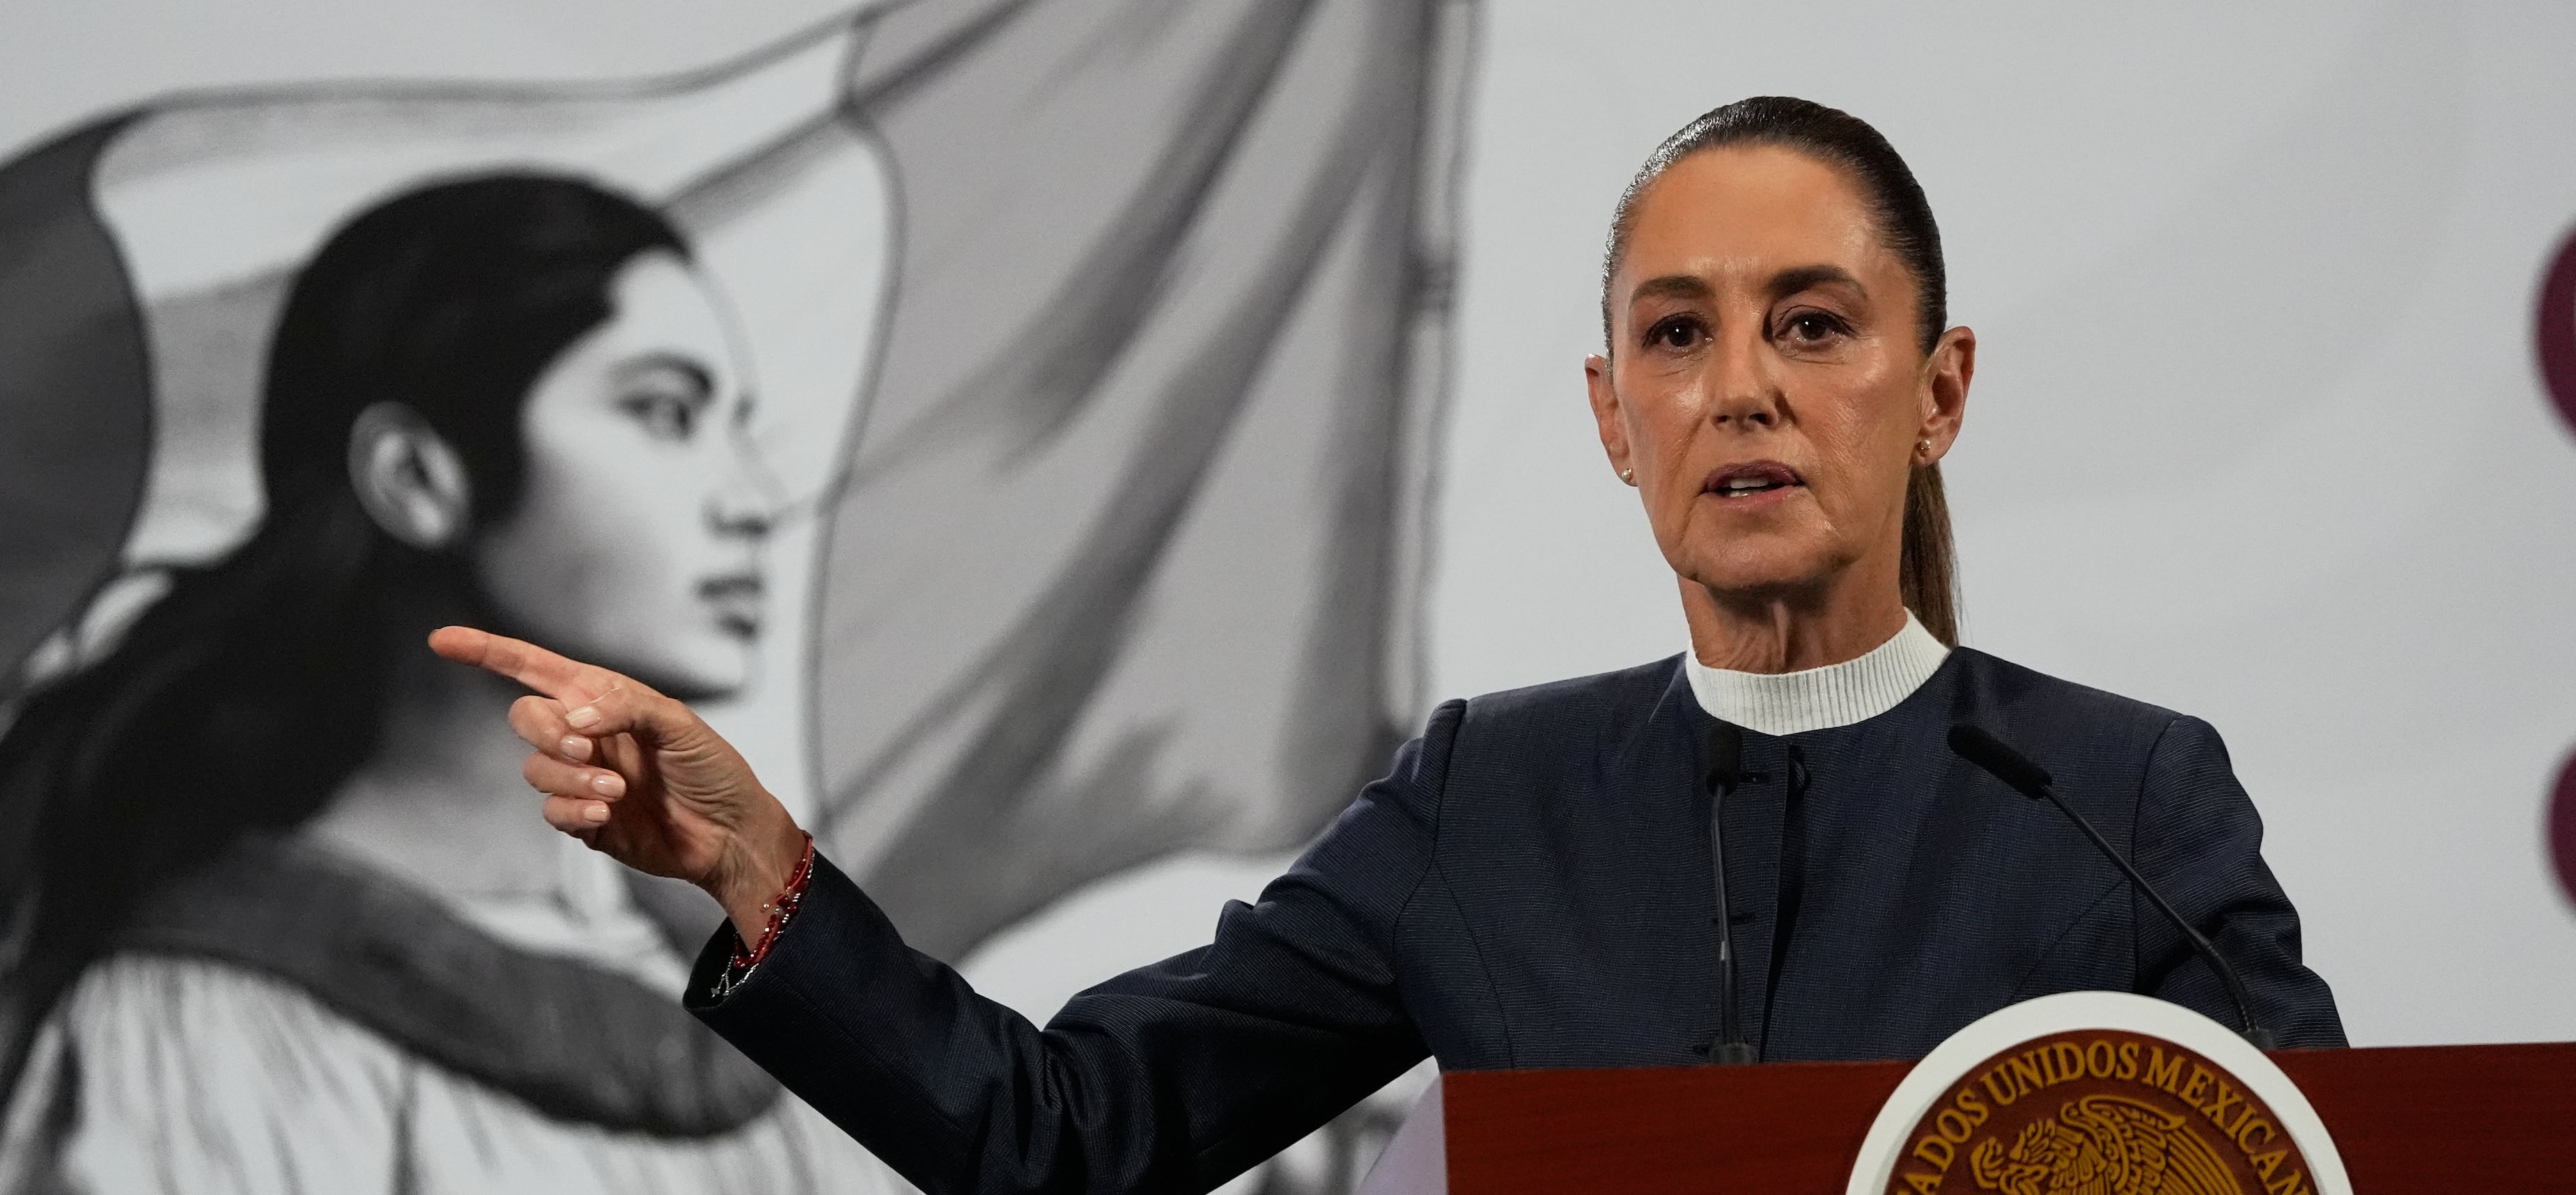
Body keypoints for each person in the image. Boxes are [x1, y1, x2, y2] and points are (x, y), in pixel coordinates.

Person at [448, 97, 2347, 1195]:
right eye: (1676, 335)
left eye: (1816, 323)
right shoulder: (1489, 801)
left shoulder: (2119, 803)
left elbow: (2320, 1171)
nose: (1741, 387)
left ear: (1940, 390)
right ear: (1612, 418)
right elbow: (1069, 1140)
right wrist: (756, 868)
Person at [0, 175, 904, 1192]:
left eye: (735, 424)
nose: (752, 499)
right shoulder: (205, 1033)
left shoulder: (744, 991)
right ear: (417, 478)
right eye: (663, 412)